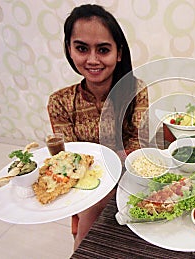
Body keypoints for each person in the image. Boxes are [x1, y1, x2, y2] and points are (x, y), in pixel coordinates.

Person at [47, 4, 148, 250]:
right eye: (82, 48)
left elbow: (138, 144)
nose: (92, 60)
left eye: (103, 49)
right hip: (85, 188)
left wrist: (118, 163)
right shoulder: (59, 101)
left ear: (119, 53)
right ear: (69, 50)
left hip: (128, 180)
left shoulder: (136, 90)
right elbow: (69, 160)